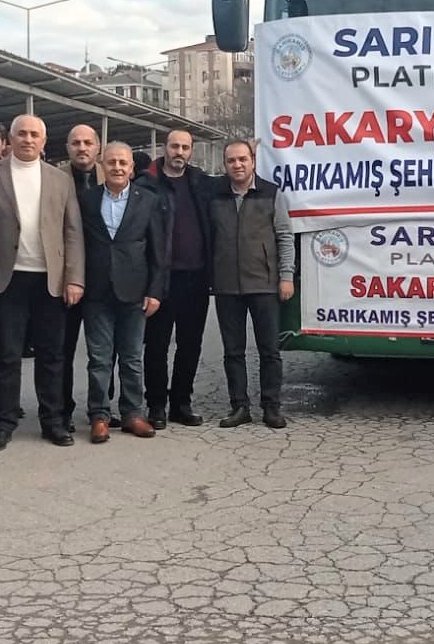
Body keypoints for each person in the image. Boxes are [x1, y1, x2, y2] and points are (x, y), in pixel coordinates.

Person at [0, 113, 84, 449]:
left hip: (50, 281)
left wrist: (75, 279)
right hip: (6, 280)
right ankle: (3, 423)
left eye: (34, 134)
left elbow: (72, 231)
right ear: (10, 139)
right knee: (5, 356)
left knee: (52, 355)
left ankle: (53, 422)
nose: (27, 139)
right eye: (21, 134)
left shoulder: (60, 179)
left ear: (43, 141)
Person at [79, 141, 168, 442]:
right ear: (102, 165)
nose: (117, 167)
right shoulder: (87, 199)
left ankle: (133, 414)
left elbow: (158, 250)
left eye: (123, 163)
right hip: (96, 290)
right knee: (99, 359)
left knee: (132, 358)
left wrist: (155, 291)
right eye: (112, 162)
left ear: (131, 167)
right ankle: (99, 416)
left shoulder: (148, 200)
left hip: (135, 290)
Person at [210, 138, 294, 429]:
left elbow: (284, 236)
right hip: (226, 286)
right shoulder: (215, 196)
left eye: (243, 159)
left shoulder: (271, 193)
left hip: (264, 284)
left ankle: (271, 407)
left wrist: (286, 276)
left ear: (253, 161)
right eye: (231, 160)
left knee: (269, 350)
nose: (237, 165)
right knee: (233, 351)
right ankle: (239, 407)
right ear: (225, 164)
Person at [144, 128, 216, 428]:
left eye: (185, 147)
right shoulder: (148, 183)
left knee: (190, 344)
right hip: (161, 280)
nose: (179, 152)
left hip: (196, 278)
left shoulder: (200, 181)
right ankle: (156, 405)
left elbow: (236, 179)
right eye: (175, 146)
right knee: (157, 345)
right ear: (165, 148)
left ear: (191, 151)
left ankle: (181, 404)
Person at [57, 124, 105, 432]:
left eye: (88, 142)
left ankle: (100, 409)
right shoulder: (54, 179)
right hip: (65, 278)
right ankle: (61, 409)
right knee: (62, 349)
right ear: (67, 148)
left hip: (103, 278)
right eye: (76, 143)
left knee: (103, 351)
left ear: (97, 147)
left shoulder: (112, 174)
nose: (82, 147)